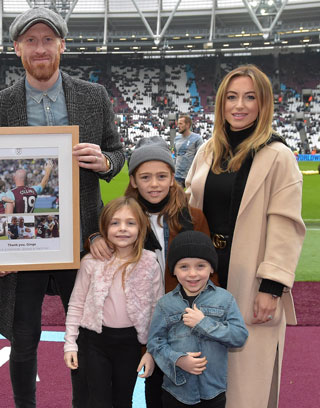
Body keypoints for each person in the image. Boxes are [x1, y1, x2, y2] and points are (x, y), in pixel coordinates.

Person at [0, 7, 125, 407]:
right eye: (30, 41)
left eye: (47, 40)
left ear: (62, 44)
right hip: (22, 242)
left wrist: (106, 161)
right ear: (16, 49)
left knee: (84, 333)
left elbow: (116, 152)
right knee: (23, 337)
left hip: (81, 238)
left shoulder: (94, 97)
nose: (39, 48)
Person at [184, 64, 305, 408]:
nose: (240, 105)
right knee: (201, 374)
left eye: (250, 97)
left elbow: (286, 226)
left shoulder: (278, 155)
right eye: (232, 97)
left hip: (251, 277)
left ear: (263, 104)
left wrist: (272, 286)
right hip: (205, 276)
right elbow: (188, 207)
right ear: (221, 103)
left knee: (247, 381)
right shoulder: (208, 151)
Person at [90, 136, 210, 407]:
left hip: (179, 319)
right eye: (145, 177)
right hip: (133, 321)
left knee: (175, 392)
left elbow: (208, 271)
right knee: (128, 389)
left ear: (172, 177)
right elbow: (102, 253)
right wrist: (94, 238)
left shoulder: (193, 218)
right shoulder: (119, 219)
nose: (154, 184)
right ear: (133, 180)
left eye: (161, 176)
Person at [64, 196, 162, 407]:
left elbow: (157, 309)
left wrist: (152, 351)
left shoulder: (150, 262)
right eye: (115, 223)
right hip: (95, 343)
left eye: (130, 223)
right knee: (97, 400)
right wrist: (70, 344)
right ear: (104, 227)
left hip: (130, 344)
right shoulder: (91, 262)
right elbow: (76, 303)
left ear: (141, 227)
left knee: (123, 400)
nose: (122, 229)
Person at [148, 231, 248, 407]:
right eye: (184, 267)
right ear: (173, 270)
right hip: (176, 392)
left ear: (211, 268)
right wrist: (178, 360)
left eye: (200, 266)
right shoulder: (165, 304)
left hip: (213, 393)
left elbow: (239, 336)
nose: (192, 274)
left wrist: (204, 323)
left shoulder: (225, 299)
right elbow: (155, 343)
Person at [174, 115, 204, 186]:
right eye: (178, 124)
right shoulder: (176, 139)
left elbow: (200, 157)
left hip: (191, 175)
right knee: (177, 196)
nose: (178, 126)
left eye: (181, 124)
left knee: (191, 196)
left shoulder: (197, 138)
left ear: (187, 125)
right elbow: (176, 155)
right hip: (178, 175)